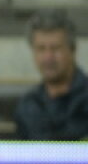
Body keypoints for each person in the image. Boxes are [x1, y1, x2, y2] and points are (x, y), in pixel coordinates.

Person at [15, 9, 88, 140]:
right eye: (41, 49)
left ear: (72, 50)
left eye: (55, 48)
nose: (48, 57)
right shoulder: (28, 106)